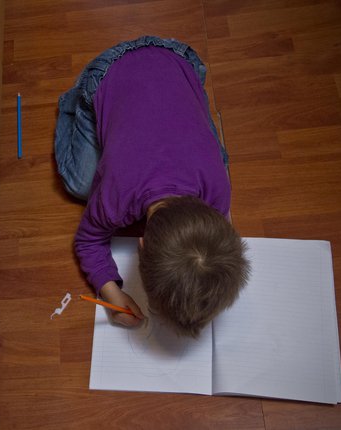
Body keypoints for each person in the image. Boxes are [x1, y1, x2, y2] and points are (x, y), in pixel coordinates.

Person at [55, 36, 250, 337]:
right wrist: (111, 294)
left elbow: (221, 230)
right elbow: (87, 241)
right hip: (111, 68)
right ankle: (76, 100)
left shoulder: (218, 187)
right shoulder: (116, 195)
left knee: (217, 156)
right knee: (81, 185)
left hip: (179, 59)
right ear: (141, 243)